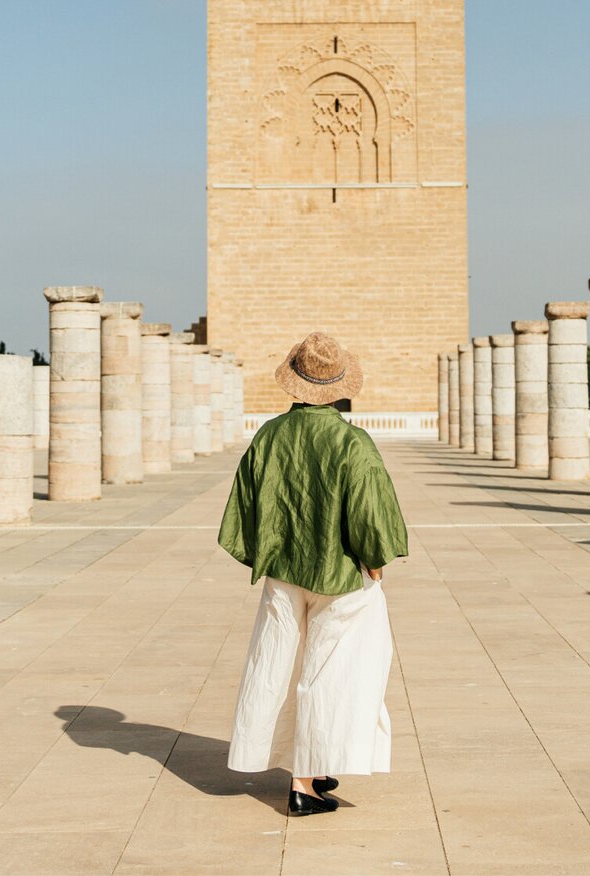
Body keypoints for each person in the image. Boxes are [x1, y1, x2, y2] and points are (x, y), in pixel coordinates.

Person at [220, 332, 409, 817]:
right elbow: (373, 517)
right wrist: (377, 562)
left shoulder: (269, 436)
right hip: (342, 575)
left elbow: (243, 511)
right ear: (339, 385)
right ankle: (304, 784)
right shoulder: (352, 442)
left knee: (280, 665)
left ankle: (308, 763)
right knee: (335, 673)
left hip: (284, 573)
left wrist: (271, 553)